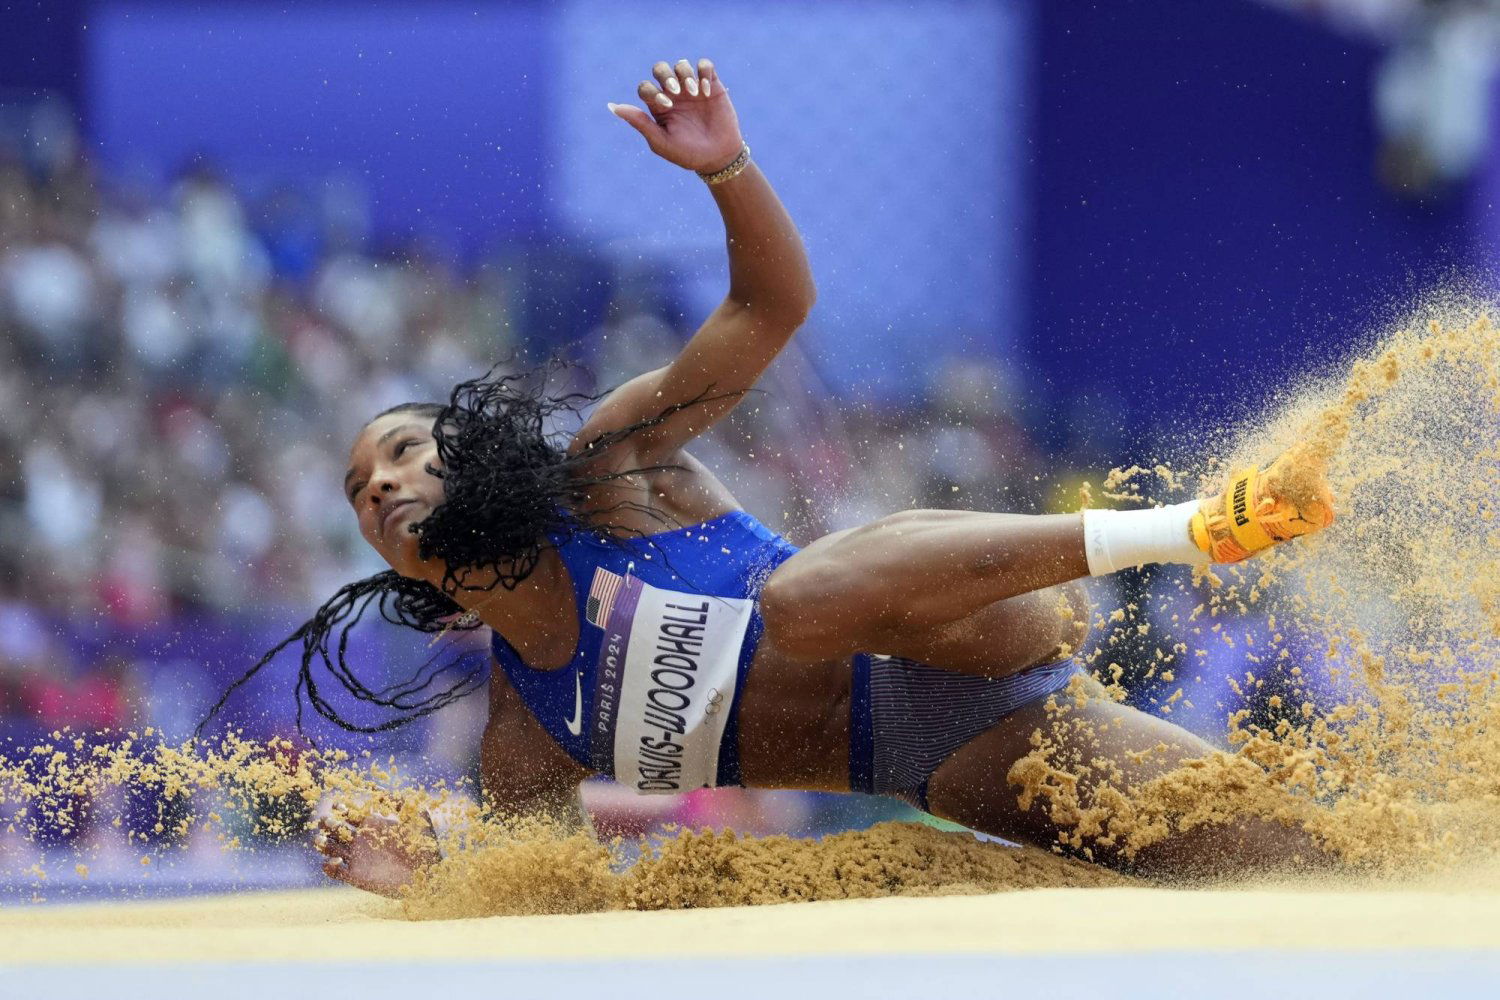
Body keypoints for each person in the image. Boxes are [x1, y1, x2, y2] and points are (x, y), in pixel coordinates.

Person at [228, 58, 1333, 896]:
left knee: (800, 601)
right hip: (963, 753)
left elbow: (768, 311)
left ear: (472, 450)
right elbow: (549, 896)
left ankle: (1193, 526)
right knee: (1303, 865)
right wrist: (416, 874)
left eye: (407, 446)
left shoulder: (609, 473)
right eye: (362, 484)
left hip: (968, 622)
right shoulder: (522, 731)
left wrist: (725, 170)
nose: (381, 480)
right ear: (383, 552)